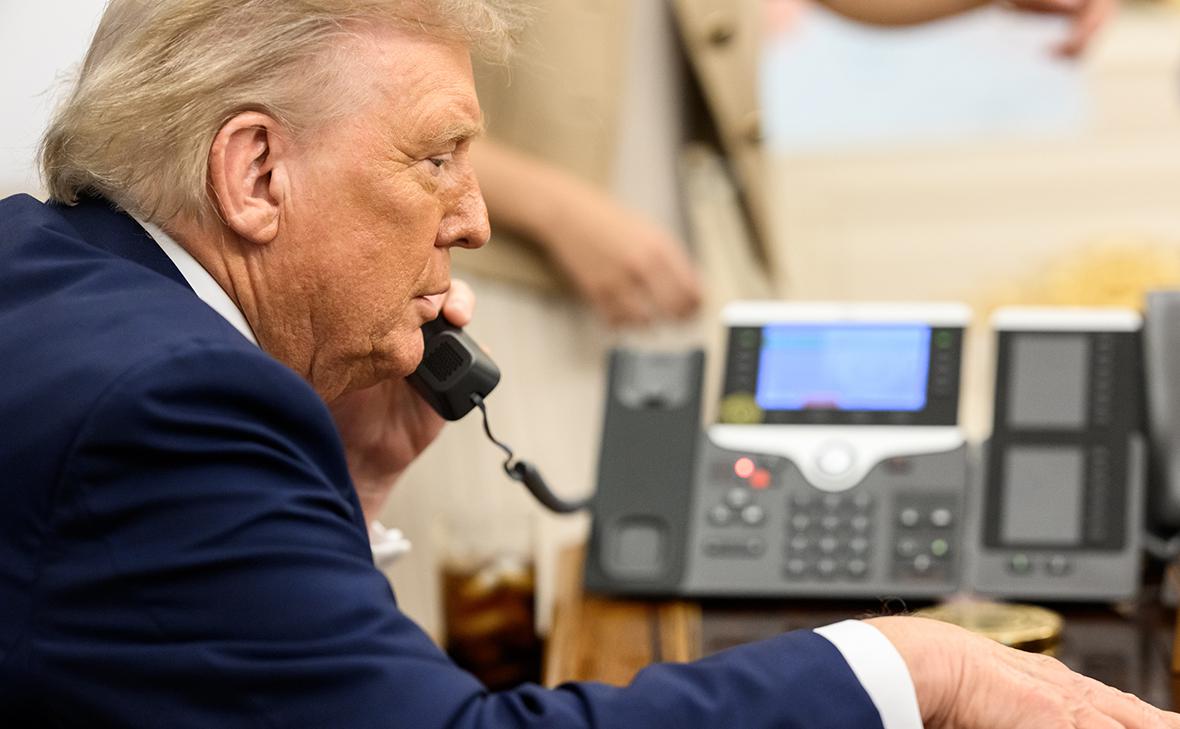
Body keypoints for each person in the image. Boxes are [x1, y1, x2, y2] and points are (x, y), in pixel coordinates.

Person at [0, 1, 1167, 728]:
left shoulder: (50, 274)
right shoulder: (175, 406)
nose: (472, 219)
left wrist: (350, 492)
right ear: (255, 174)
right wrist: (909, 670)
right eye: (437, 159)